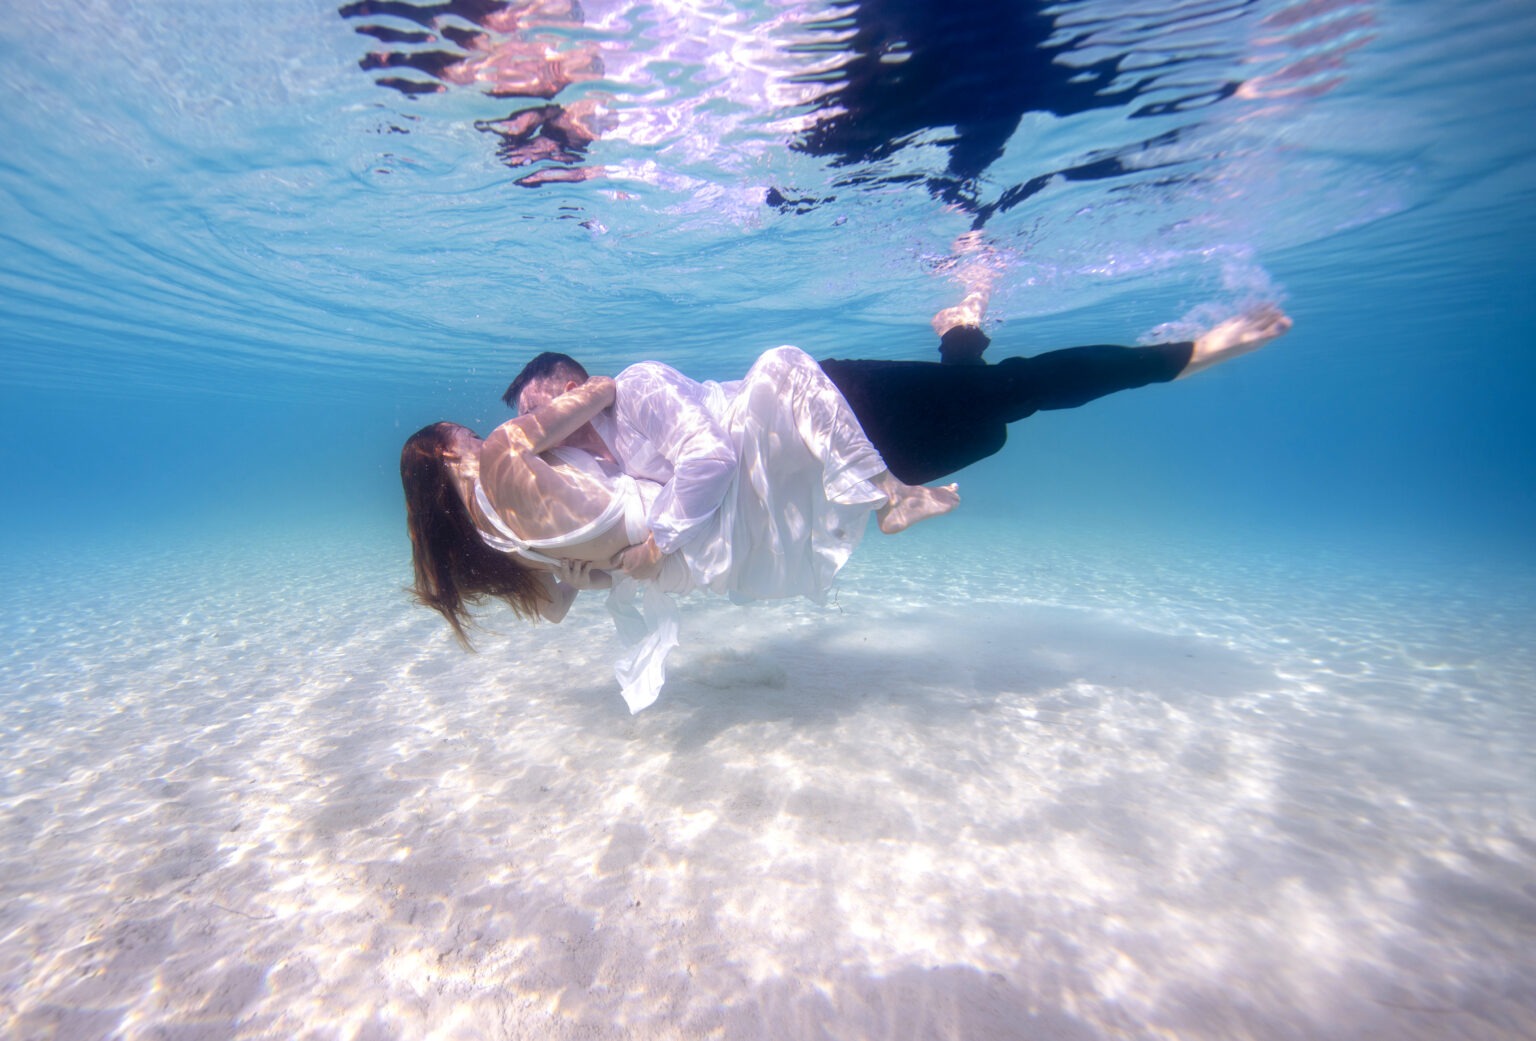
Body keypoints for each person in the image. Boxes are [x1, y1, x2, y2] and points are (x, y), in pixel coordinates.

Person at [403, 346, 958, 712]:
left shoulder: (502, 537)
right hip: (731, 507)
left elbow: (561, 598)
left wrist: (599, 573)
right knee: (789, 365)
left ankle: (900, 479)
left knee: (967, 410)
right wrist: (618, 562)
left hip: (739, 497)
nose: (544, 436)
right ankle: (896, 486)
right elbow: (642, 488)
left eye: (539, 414)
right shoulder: (528, 465)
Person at [505, 307, 1293, 487]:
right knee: (983, 417)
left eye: (538, 408)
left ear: (573, 389)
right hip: (826, 475)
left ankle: (1184, 353)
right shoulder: (598, 467)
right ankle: (959, 332)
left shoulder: (631, 396)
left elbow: (702, 458)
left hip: (828, 398)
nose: (533, 429)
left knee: (1007, 395)